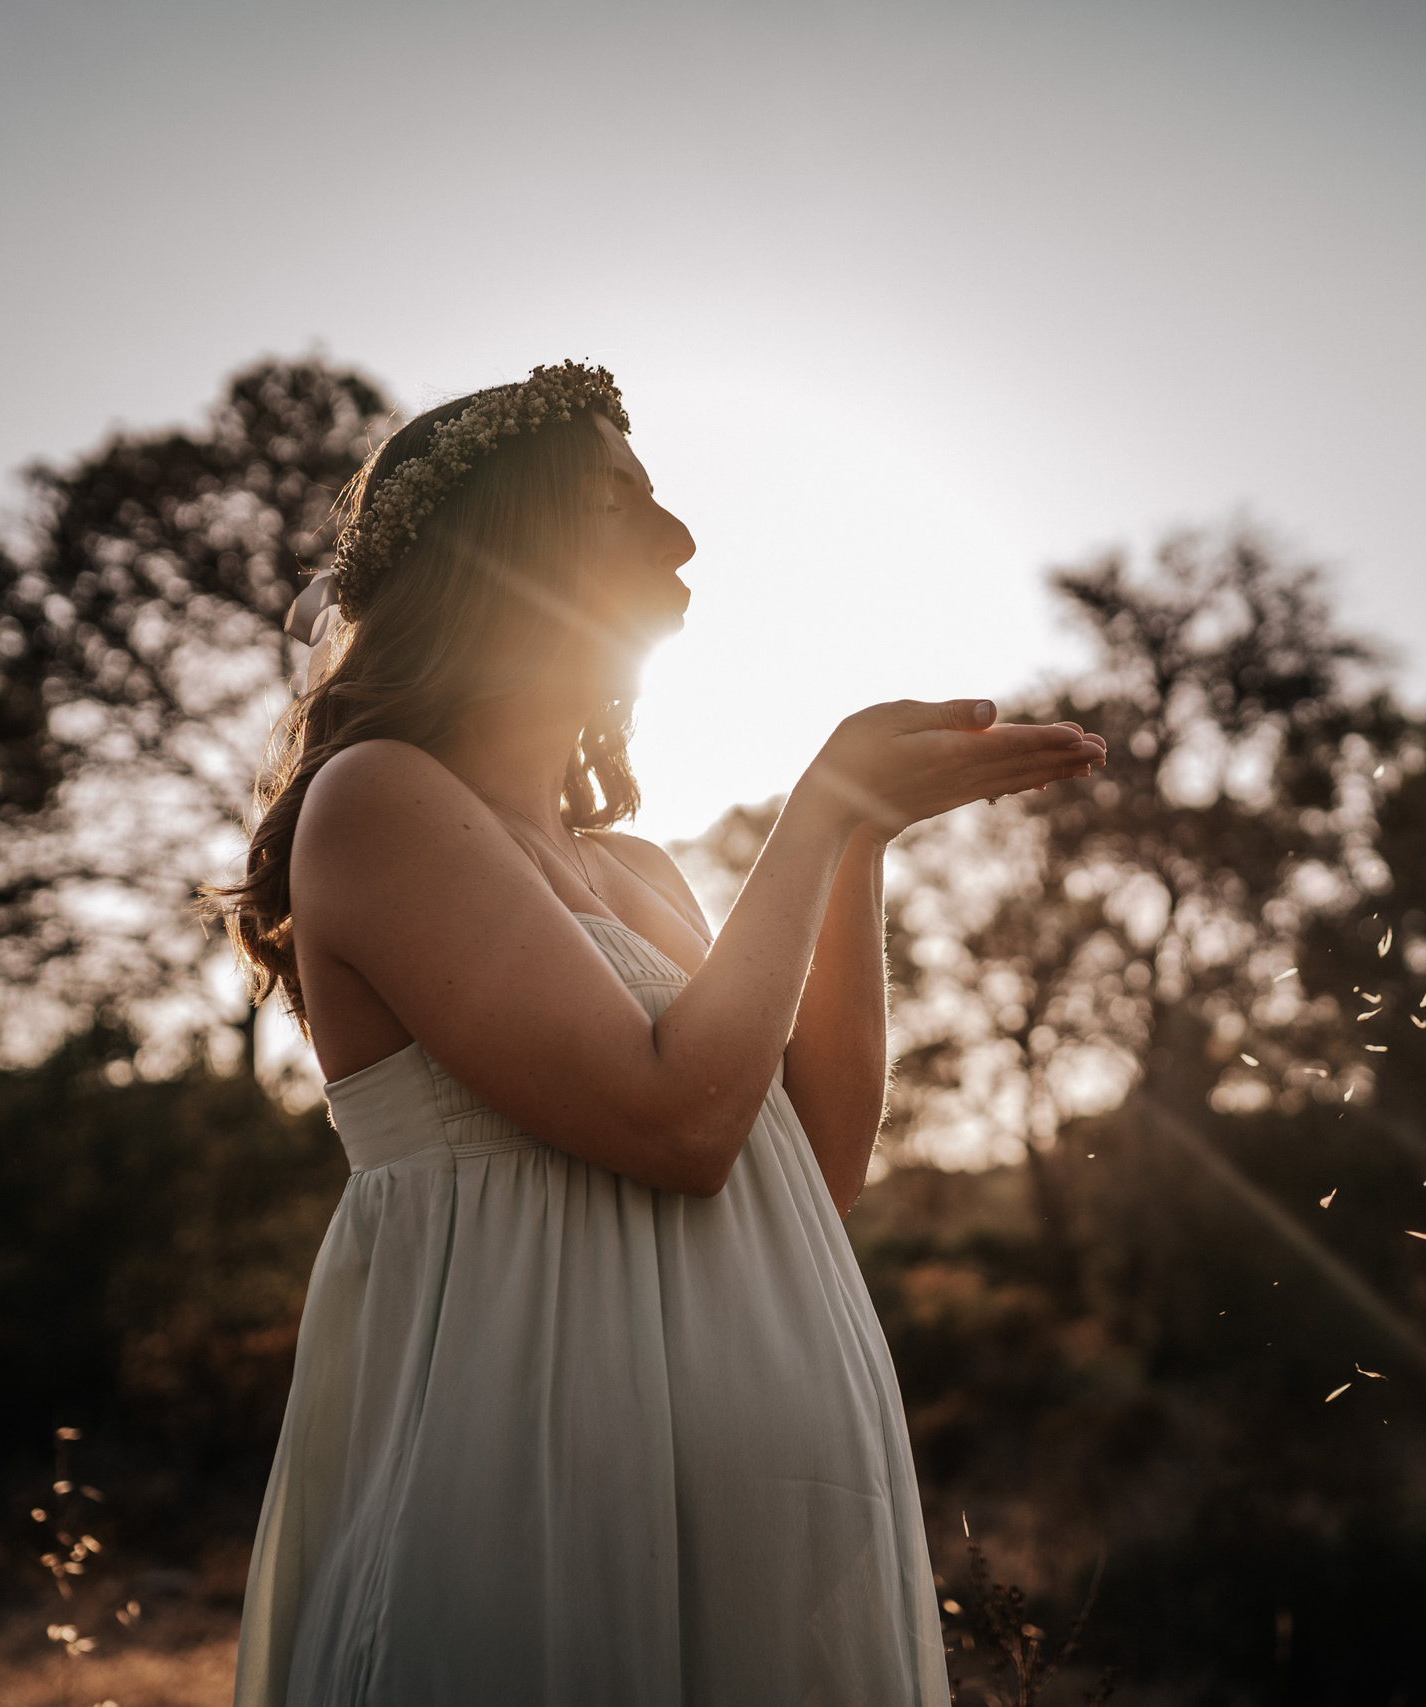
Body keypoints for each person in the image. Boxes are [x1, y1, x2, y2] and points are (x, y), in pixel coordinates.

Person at [207, 362, 1106, 1705]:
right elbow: (675, 1125)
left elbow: (818, 1157)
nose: (680, 536)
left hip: (724, 1534)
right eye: (619, 499)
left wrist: (856, 838)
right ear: (500, 546)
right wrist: (814, 809)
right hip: (531, 1504)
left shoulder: (637, 872)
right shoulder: (376, 802)